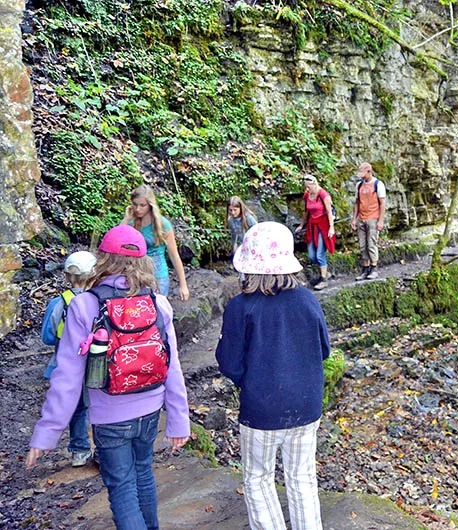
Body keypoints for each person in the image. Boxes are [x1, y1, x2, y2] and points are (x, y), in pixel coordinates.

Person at [27, 224, 191, 530]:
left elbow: (67, 377)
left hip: (109, 415)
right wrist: (180, 420)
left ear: (102, 259)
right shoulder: (158, 303)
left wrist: (47, 433)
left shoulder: (85, 305)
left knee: (122, 488)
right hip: (151, 410)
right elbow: (173, 366)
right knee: (143, 474)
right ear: (145, 262)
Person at [216, 222, 329, 530]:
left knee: (258, 478)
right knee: (302, 477)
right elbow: (324, 350)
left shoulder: (241, 307)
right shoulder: (307, 300)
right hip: (307, 405)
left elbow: (229, 364)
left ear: (248, 267)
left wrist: (250, 380)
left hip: (261, 408)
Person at [40, 250, 96, 468]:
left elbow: (47, 336)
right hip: (96, 363)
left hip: (67, 364)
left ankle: (80, 450)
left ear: (66, 276)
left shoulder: (59, 303)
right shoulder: (99, 299)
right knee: (100, 404)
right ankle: (103, 448)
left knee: (77, 407)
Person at [122, 185, 190, 301]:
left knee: (157, 312)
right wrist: (126, 219)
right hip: (136, 275)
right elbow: (115, 242)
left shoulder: (163, 225)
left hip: (158, 277)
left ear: (150, 205)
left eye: (142, 205)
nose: (138, 209)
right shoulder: (131, 223)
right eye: (135, 204)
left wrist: (183, 285)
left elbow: (174, 256)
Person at [295, 174, 336, 290]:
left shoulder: (323, 195)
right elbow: (306, 212)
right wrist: (302, 225)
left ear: (314, 184)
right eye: (306, 187)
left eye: (309, 187)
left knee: (319, 254)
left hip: (323, 226)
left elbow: (329, 212)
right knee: (312, 255)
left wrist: (331, 228)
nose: (307, 189)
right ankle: (325, 273)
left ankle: (323, 280)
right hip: (312, 226)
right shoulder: (307, 195)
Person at [350, 162, 386, 280]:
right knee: (362, 245)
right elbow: (356, 203)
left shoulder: (378, 184)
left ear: (369, 172)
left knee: (371, 244)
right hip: (362, 218)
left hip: (373, 218)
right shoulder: (359, 185)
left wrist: (380, 221)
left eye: (363, 173)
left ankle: (373, 268)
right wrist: (354, 219)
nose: (361, 176)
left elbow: (382, 203)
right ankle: (365, 269)